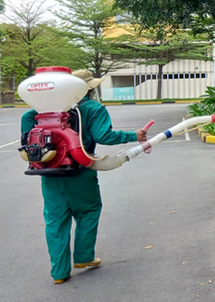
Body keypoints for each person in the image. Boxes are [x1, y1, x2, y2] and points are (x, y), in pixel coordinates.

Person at [21, 69, 147, 284]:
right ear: (88, 88)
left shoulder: (34, 113)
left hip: (49, 173)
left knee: (55, 219)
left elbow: (27, 143)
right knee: (88, 210)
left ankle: (59, 273)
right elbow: (103, 135)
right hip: (81, 171)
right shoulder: (92, 108)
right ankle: (83, 257)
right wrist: (133, 135)